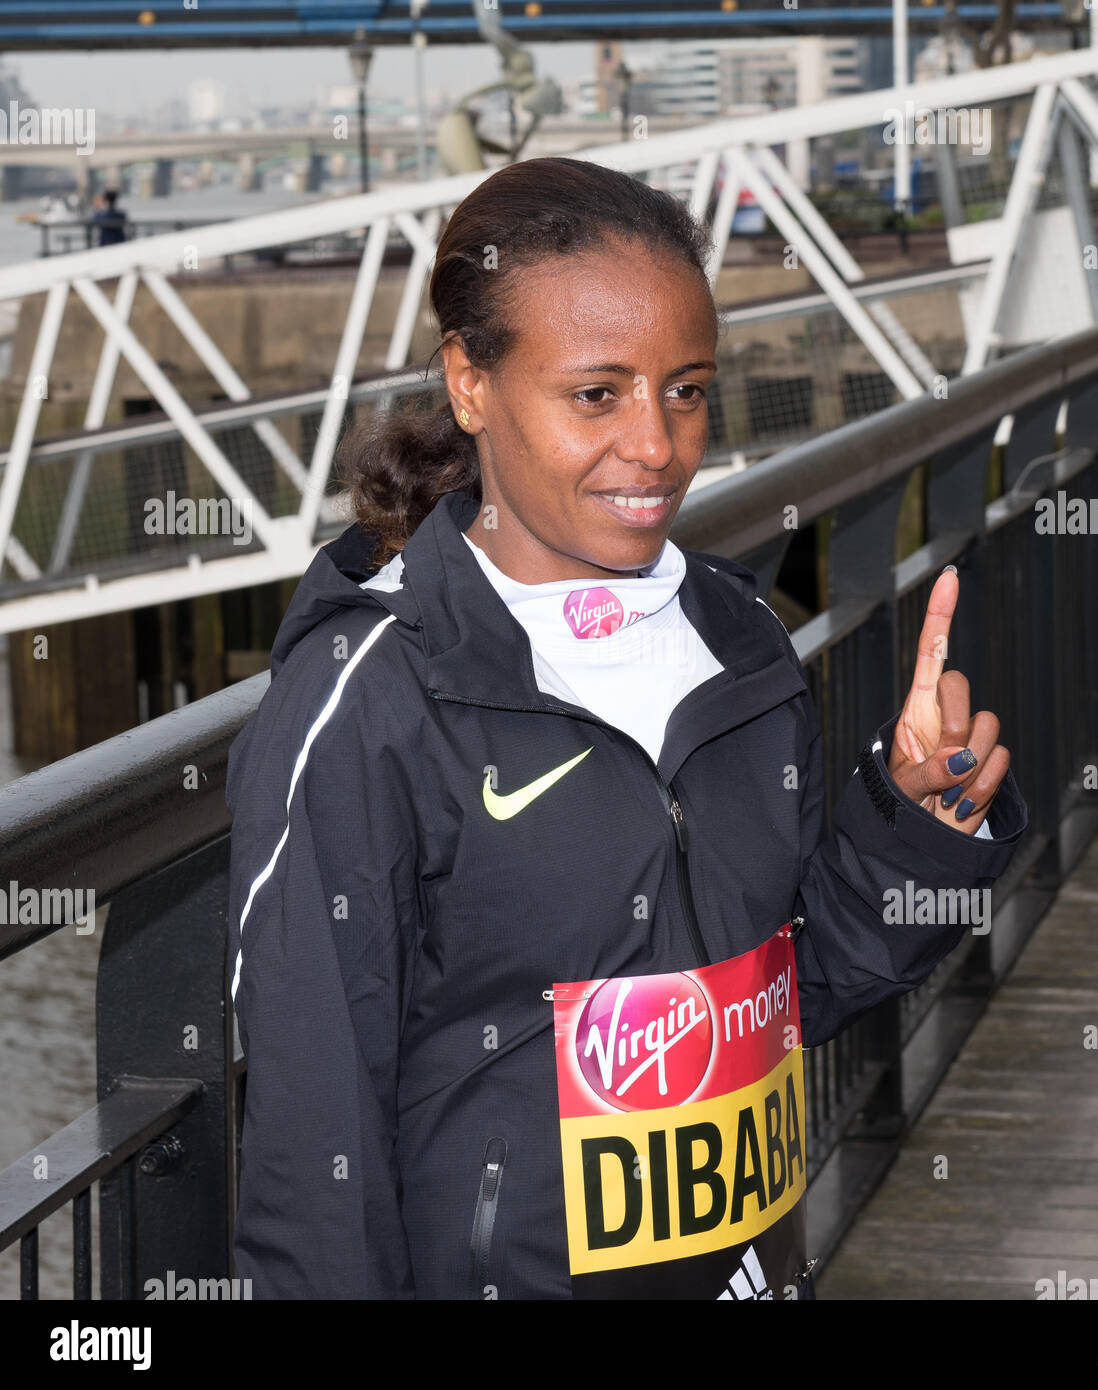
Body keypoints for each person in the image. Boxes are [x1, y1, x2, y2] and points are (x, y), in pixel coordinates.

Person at [225, 156, 1028, 1301]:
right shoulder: (370, 701)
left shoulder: (740, 639)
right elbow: (317, 1166)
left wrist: (917, 827)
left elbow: (784, 998)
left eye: (687, 388)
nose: (656, 445)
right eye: (597, 394)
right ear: (471, 383)